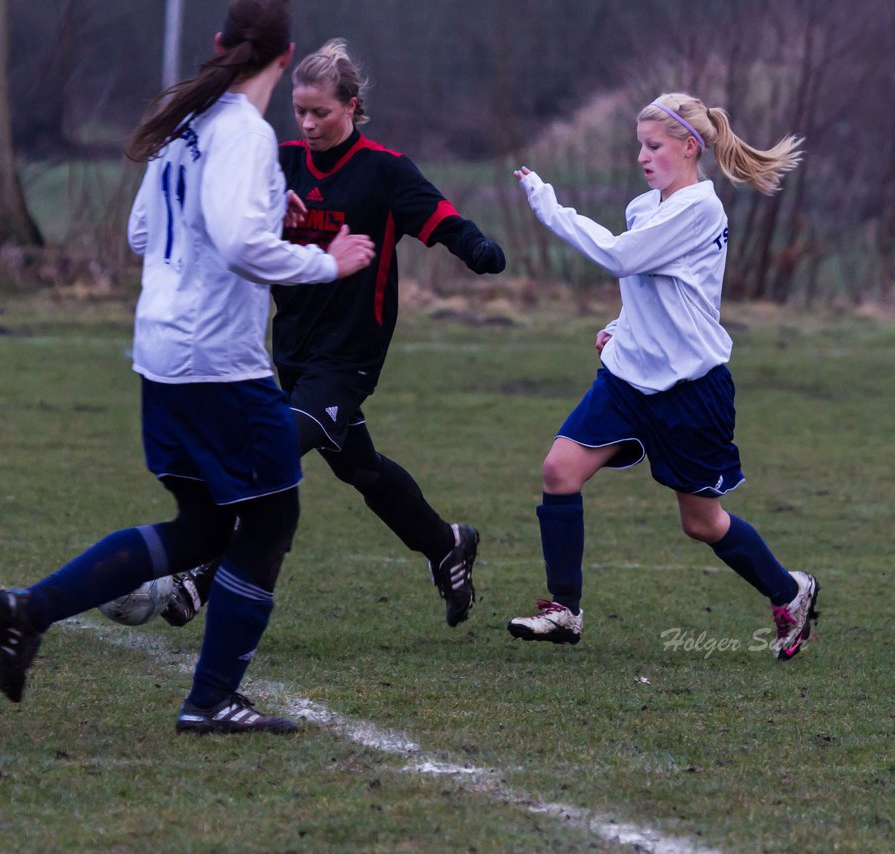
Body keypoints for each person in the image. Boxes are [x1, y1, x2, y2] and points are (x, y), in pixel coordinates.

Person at [0, 0, 375, 735]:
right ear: (284, 60)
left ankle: (27, 612)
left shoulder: (187, 123)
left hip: (160, 352)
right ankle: (212, 699)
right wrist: (328, 260)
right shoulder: (244, 133)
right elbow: (233, 245)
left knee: (201, 527)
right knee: (271, 514)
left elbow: (141, 233)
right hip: (216, 360)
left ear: (222, 45)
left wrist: (260, 210)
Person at [161, 39, 506, 631]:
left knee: (271, 450)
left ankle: (204, 570)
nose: (309, 122)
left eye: (321, 111)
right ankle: (446, 543)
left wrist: (475, 247)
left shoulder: (384, 171)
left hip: (349, 357)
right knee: (359, 468)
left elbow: (442, 217)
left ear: (351, 106)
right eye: (300, 111)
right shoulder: (282, 161)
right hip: (290, 349)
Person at [506, 92, 820, 660]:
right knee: (558, 471)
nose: (643, 157)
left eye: (653, 146)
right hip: (628, 380)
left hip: (691, 389)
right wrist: (621, 325)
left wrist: (551, 209)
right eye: (639, 147)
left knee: (702, 523)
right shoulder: (643, 207)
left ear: (689, 147)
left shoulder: (700, 209)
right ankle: (564, 610)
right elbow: (653, 287)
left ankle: (790, 591)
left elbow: (622, 259)